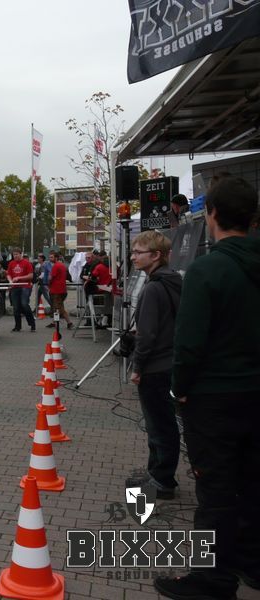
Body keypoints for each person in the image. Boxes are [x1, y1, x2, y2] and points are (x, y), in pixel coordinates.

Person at [154, 176, 260, 600]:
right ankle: (251, 561)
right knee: (253, 482)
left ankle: (213, 579)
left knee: (215, 490)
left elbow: (190, 340)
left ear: (211, 214)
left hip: (213, 398)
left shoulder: (207, 269)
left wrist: (179, 388)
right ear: (253, 218)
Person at [125, 231, 182, 501]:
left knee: (159, 424)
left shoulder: (154, 288)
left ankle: (162, 478)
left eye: (139, 252)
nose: (133, 257)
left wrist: (137, 367)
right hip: (169, 362)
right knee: (164, 422)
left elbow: (146, 334)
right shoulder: (174, 281)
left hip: (156, 367)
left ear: (156, 255)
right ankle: (159, 472)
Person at [6, 248, 36, 332]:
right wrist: (10, 281)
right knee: (16, 307)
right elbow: (8, 274)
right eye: (14, 254)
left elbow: (31, 276)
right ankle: (18, 326)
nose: (15, 256)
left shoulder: (27, 263)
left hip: (25, 286)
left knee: (24, 304)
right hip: (15, 287)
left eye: (17, 254)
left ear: (21, 254)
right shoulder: (11, 263)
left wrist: (19, 278)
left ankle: (32, 323)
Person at [47, 252, 74, 329]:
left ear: (56, 258)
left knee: (60, 308)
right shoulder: (62, 265)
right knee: (57, 307)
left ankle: (69, 323)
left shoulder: (56, 266)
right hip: (62, 289)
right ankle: (54, 322)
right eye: (49, 257)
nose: (50, 259)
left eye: (51, 257)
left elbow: (51, 278)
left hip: (57, 290)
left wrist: (48, 284)